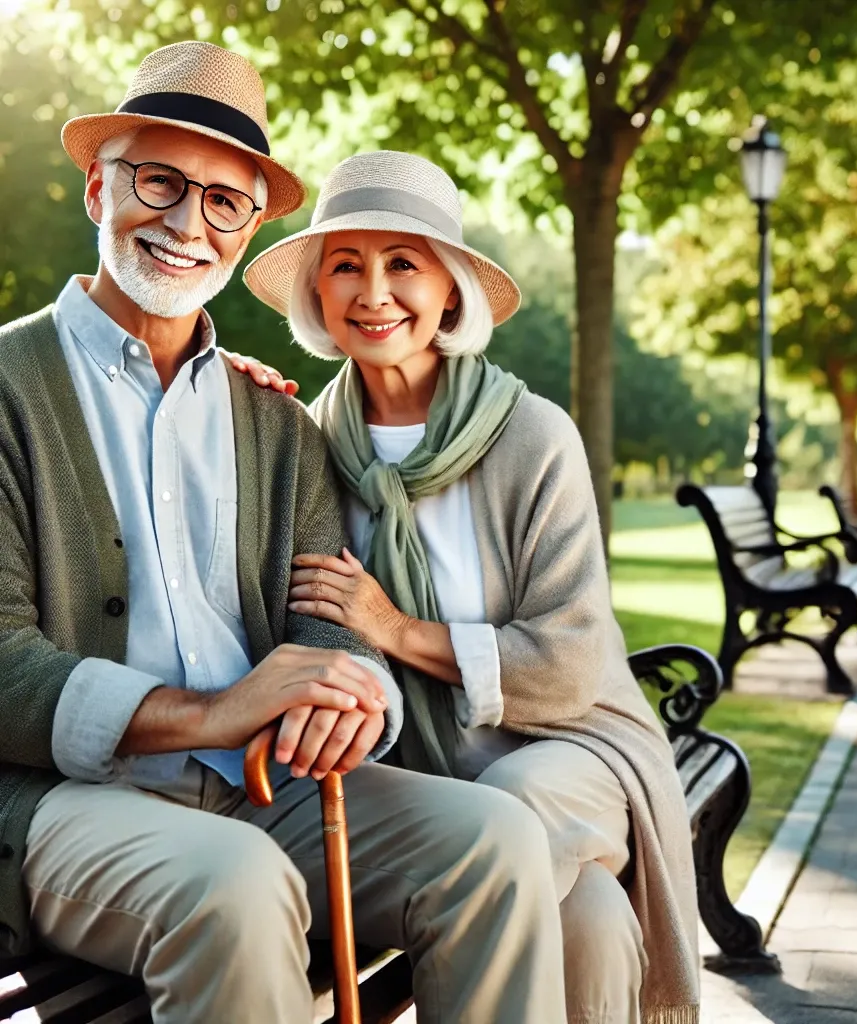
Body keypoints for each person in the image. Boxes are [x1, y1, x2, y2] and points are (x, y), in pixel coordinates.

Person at [0, 41, 569, 1024]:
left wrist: (339, 693)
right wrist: (207, 713)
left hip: (264, 789)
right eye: (159, 181)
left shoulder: (274, 421)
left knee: (499, 840)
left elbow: (328, 620)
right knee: (236, 883)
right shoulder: (10, 389)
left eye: (225, 200)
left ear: (251, 225)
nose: (188, 223)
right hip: (56, 804)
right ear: (98, 188)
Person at [238, 149, 703, 1023]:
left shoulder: (533, 436)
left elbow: (569, 664)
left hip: (571, 754)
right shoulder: (303, 445)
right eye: (346, 265)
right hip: (417, 773)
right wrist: (234, 399)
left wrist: (393, 627)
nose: (373, 291)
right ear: (319, 295)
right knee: (592, 916)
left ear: (449, 289)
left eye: (402, 263)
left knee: (505, 814)